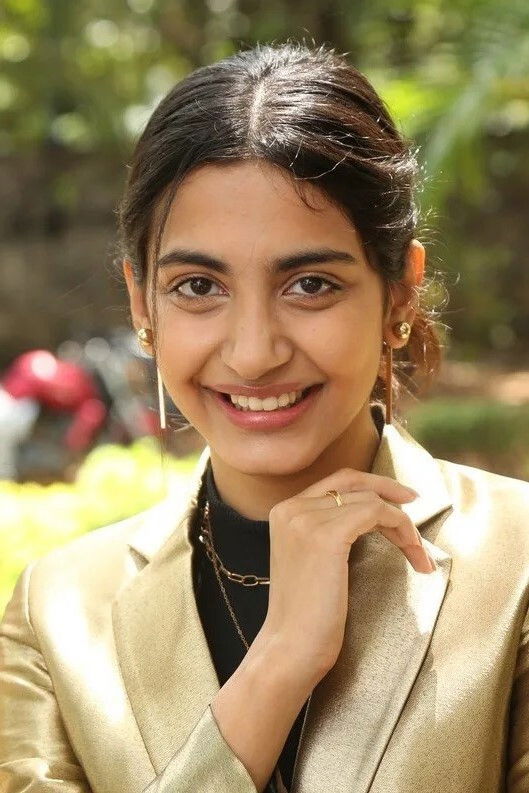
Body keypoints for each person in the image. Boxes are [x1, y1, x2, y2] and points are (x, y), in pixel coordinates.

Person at [1, 41, 528, 793]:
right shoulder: (56, 612)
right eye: (197, 287)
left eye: (309, 284)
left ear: (399, 294)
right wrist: (276, 668)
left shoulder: (516, 566)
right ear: (141, 303)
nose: (253, 354)